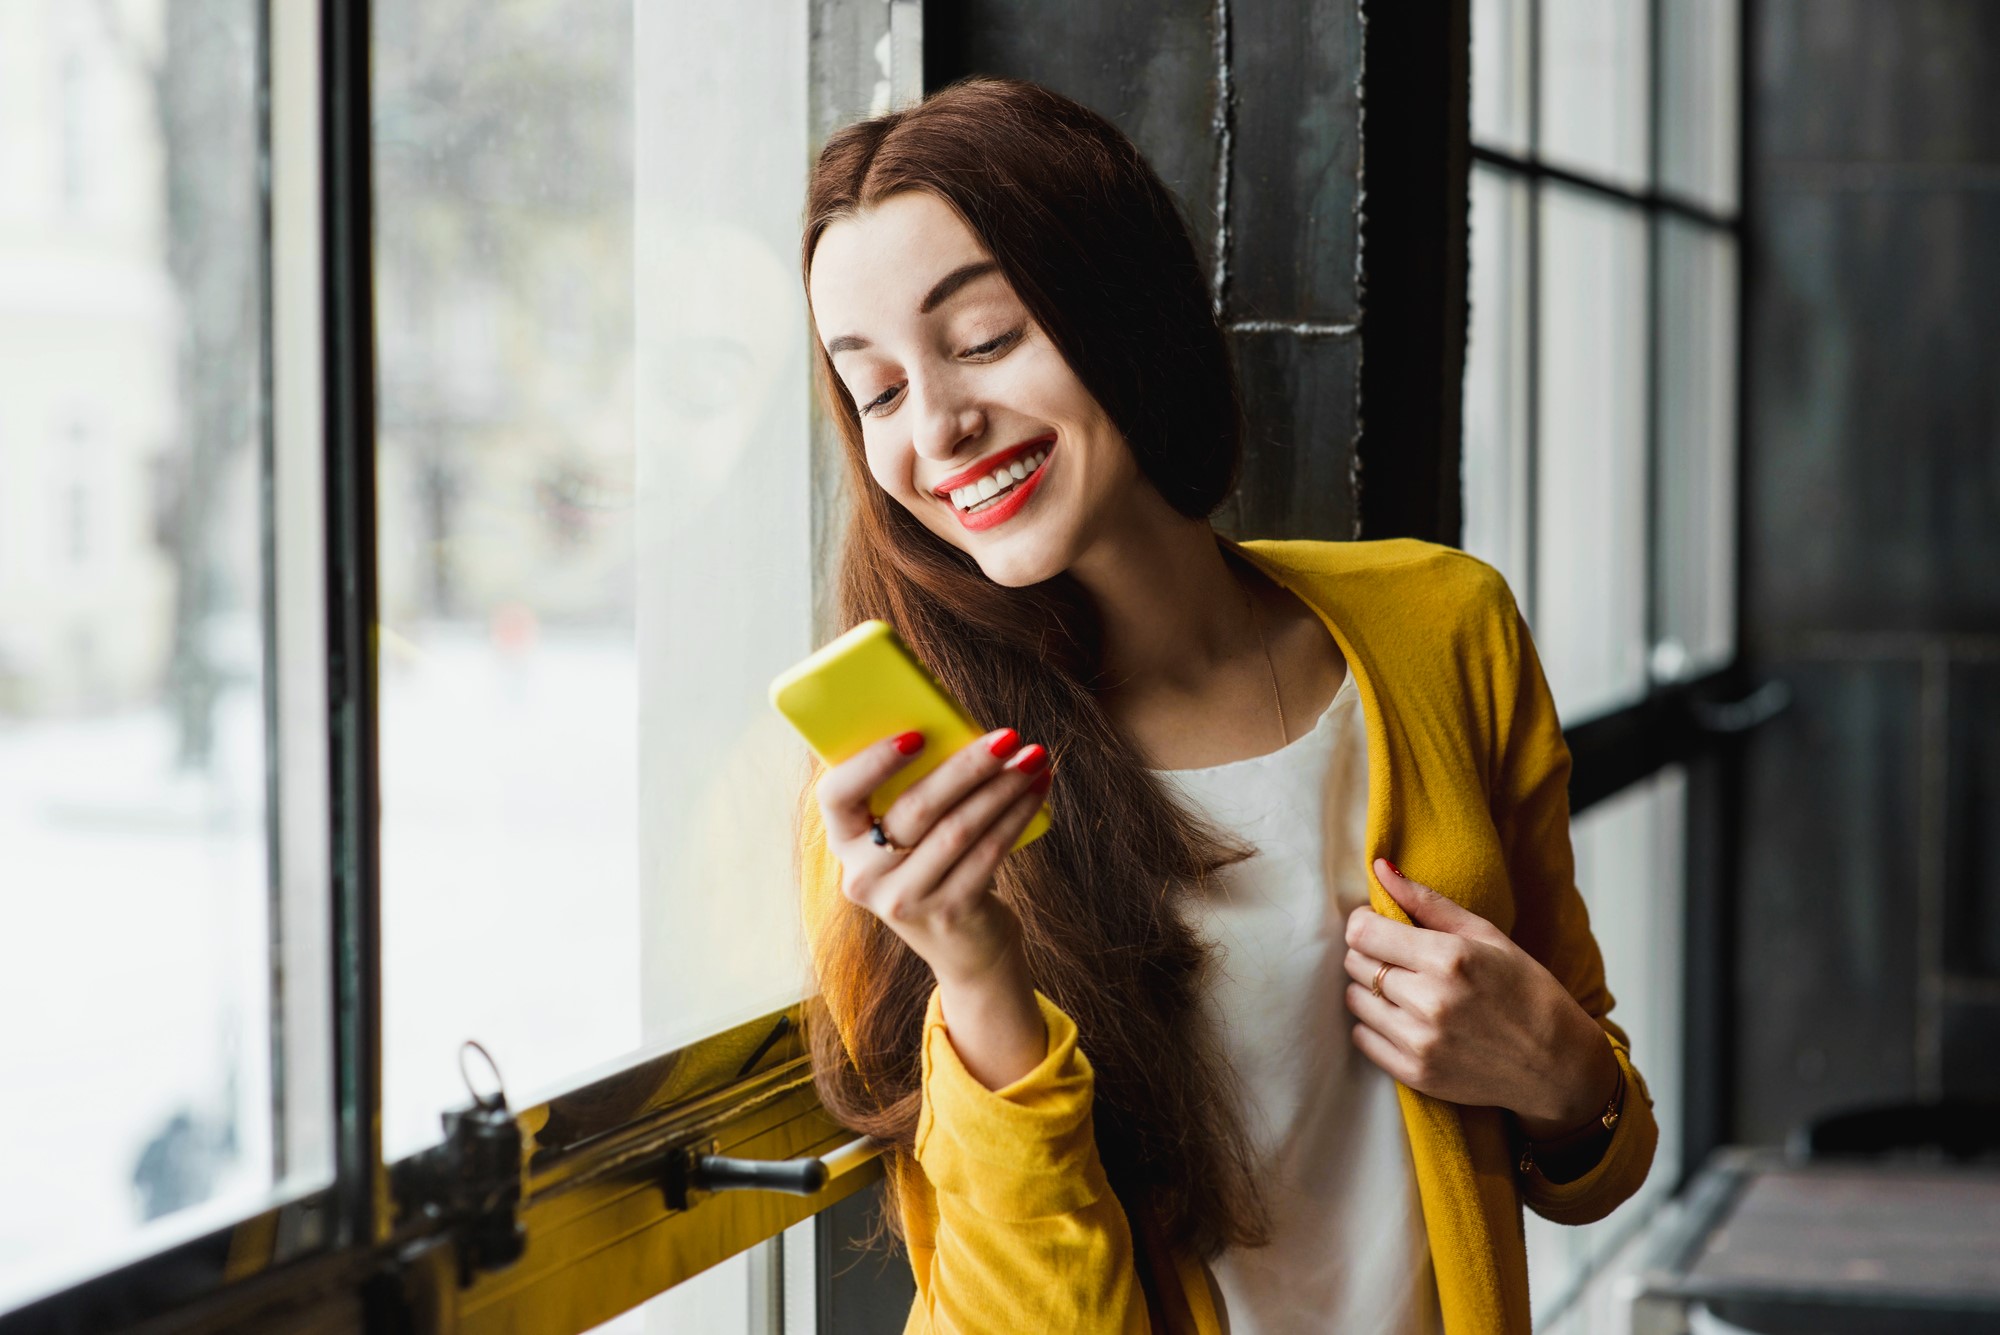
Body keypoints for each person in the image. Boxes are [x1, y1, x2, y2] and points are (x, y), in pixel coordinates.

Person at [791, 76, 1656, 1335]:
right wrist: (973, 974)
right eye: (873, 391)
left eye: (980, 339)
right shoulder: (916, 796)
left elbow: (1595, 1159)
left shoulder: (1442, 626)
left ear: (1125, 310)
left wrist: (1563, 1072)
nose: (938, 424)